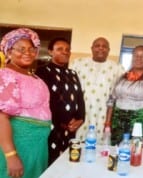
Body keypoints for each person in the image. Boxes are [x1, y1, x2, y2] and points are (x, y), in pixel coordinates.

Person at [0, 28, 51, 178]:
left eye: (31, 49)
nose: (27, 52)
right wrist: (11, 155)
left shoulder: (35, 77)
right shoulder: (6, 75)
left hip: (37, 145)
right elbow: (2, 117)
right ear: (9, 52)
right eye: (21, 49)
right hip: (19, 143)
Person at [35, 37, 85, 165]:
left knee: (67, 160)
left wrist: (80, 118)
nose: (65, 52)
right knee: (51, 160)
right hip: (52, 126)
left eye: (67, 49)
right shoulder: (42, 71)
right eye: (60, 49)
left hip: (70, 128)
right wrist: (63, 121)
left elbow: (79, 97)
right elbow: (44, 101)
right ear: (50, 52)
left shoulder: (72, 74)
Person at [104, 45, 143, 146]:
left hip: (139, 124)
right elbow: (111, 101)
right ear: (132, 58)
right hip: (117, 123)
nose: (139, 59)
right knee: (116, 153)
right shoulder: (122, 78)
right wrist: (107, 123)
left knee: (136, 154)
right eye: (136, 55)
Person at [69, 37, 124, 142]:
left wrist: (111, 120)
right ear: (92, 48)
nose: (101, 49)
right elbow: (70, 91)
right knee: (78, 143)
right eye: (97, 46)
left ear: (109, 50)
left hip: (104, 114)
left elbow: (119, 95)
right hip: (81, 113)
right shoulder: (77, 63)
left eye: (104, 46)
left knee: (101, 145)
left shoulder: (117, 68)